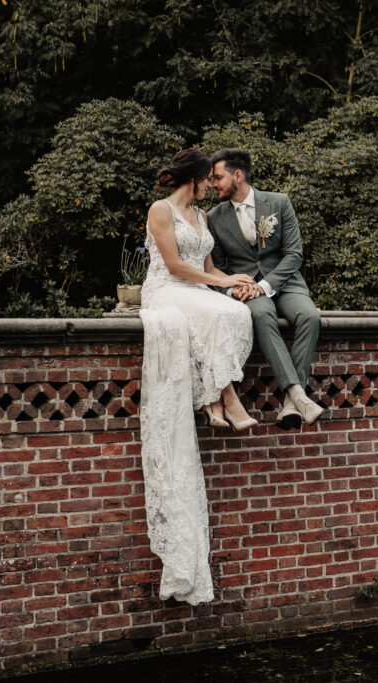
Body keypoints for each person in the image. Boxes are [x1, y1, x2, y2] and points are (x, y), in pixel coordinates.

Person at [138, 148, 257, 605]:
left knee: (235, 316)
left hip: (197, 290)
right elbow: (174, 268)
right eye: (209, 179)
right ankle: (228, 400)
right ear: (195, 177)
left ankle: (219, 399)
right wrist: (222, 286)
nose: (213, 185)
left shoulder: (202, 217)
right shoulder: (161, 210)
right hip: (166, 292)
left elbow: (208, 270)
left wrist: (237, 281)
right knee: (213, 314)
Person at [207, 148, 324, 430]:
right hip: (245, 290)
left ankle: (288, 400)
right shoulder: (214, 216)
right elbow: (218, 268)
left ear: (237, 175)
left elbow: (294, 254)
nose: (213, 184)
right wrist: (234, 289)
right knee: (260, 316)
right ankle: (297, 394)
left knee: (310, 317)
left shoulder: (279, 202)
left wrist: (264, 285)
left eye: (218, 177)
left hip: (286, 283)